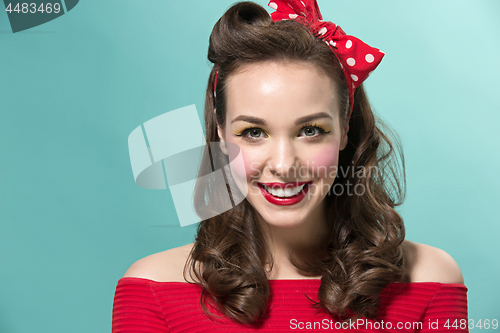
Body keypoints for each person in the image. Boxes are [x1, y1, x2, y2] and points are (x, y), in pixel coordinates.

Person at [112, 1, 468, 332]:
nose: (283, 165)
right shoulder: (153, 289)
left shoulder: (430, 281)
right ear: (221, 135)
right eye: (253, 132)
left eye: (310, 130)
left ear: (344, 128)